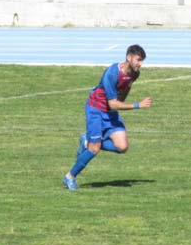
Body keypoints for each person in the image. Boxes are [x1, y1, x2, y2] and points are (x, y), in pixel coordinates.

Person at [63, 44, 153, 190]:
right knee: (94, 148)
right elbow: (112, 104)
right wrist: (138, 105)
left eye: (142, 60)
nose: (141, 64)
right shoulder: (112, 73)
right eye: (138, 60)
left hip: (110, 112)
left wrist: (121, 102)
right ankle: (70, 177)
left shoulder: (135, 74)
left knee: (122, 147)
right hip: (96, 109)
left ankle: (87, 140)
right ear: (128, 57)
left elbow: (124, 92)